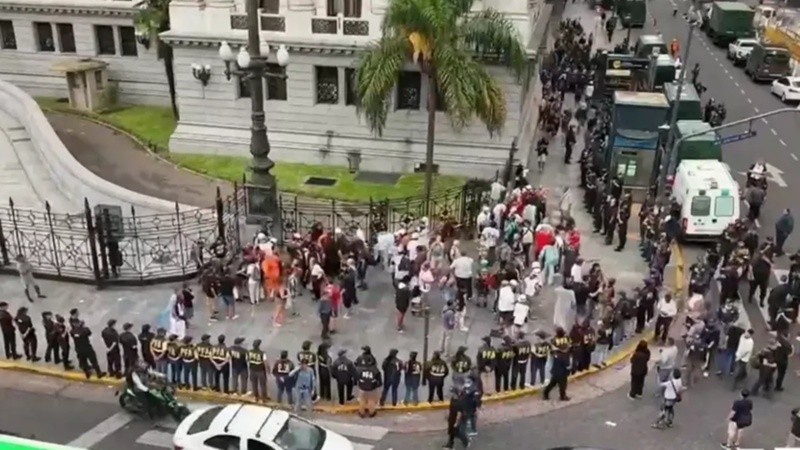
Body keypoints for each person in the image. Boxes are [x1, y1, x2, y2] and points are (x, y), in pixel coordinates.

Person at [443, 384, 470, 449]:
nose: (451, 394)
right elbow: (451, 408)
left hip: (457, 419)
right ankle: (450, 444)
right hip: (452, 417)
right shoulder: (453, 399)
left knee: (457, 432)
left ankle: (466, 441)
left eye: (452, 393)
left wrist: (456, 422)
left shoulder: (459, 401)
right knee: (451, 432)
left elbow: (460, 413)